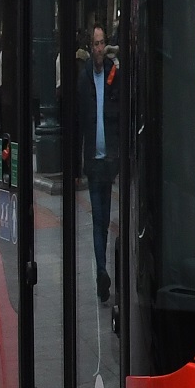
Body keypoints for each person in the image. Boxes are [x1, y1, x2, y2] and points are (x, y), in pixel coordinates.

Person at [74, 24, 120, 300]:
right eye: (95, 44)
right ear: (90, 47)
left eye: (102, 43)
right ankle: (102, 271)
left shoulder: (115, 74)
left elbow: (122, 114)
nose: (99, 48)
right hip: (93, 160)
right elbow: (79, 122)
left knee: (104, 219)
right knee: (98, 218)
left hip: (109, 161)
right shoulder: (84, 79)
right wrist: (78, 164)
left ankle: (102, 268)